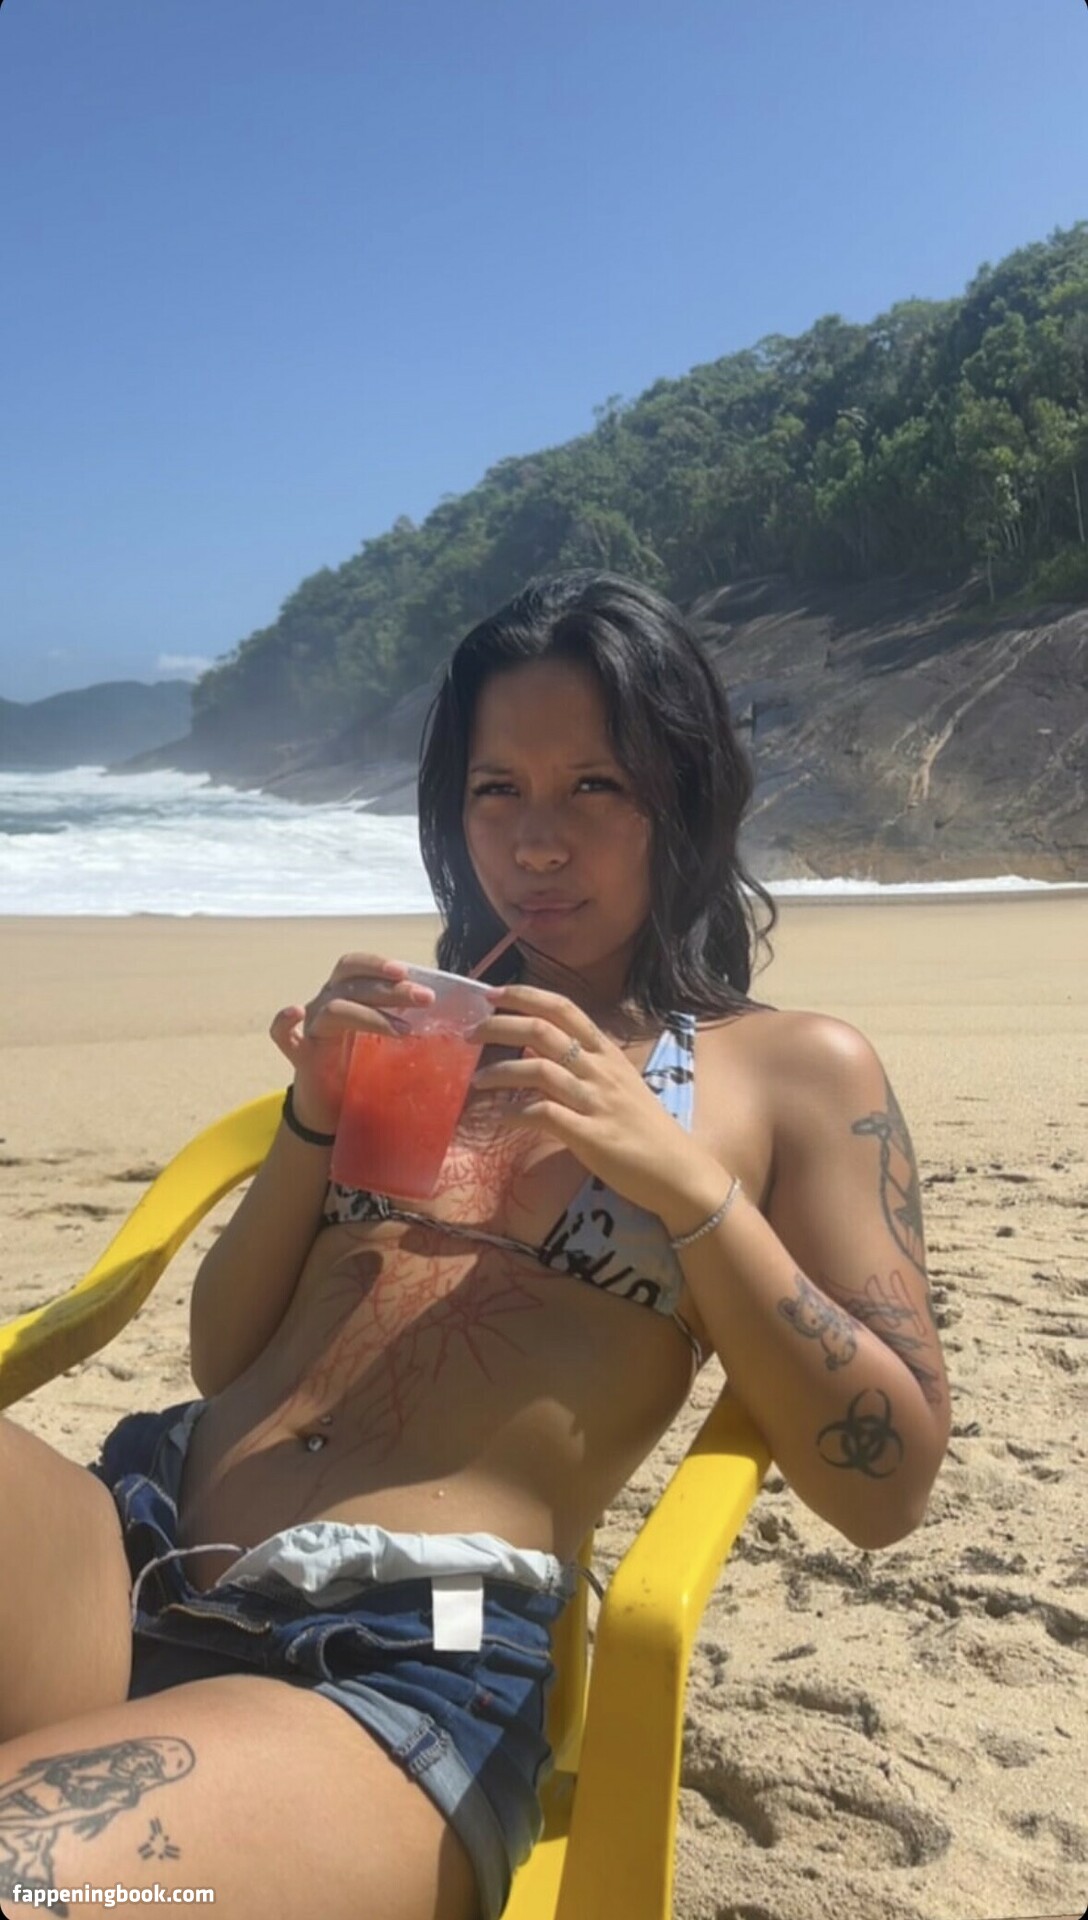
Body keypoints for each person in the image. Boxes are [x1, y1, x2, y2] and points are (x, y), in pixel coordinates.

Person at [0, 572, 949, 1920]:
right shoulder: (430, 1030)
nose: (537, 843)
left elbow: (887, 1485)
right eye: (498, 789)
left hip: (400, 1653)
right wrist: (313, 1121)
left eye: (594, 787)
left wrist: (685, 1185)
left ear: (682, 796)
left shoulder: (788, 1072)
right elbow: (228, 1360)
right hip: (133, 1534)